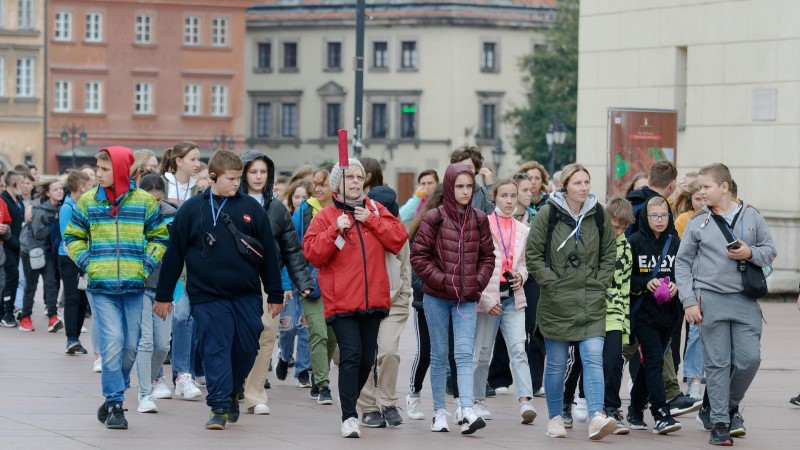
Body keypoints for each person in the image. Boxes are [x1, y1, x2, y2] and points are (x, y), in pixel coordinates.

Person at [154, 150, 284, 430]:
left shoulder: (252, 208)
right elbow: (174, 254)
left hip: (246, 293)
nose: (237, 183)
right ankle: (218, 405)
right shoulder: (192, 209)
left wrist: (274, 293)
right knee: (216, 346)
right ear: (212, 177)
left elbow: (269, 256)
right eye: (231, 178)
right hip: (206, 295)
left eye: (239, 178)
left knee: (247, 345)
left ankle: (234, 388)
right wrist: (164, 296)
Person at [64, 146, 169, 430]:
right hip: (101, 286)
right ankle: (114, 404)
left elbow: (160, 237)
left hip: (134, 286)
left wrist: (145, 266)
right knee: (112, 344)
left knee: (130, 347)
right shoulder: (88, 202)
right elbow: (72, 237)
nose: (99, 174)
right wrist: (88, 263)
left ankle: (116, 389)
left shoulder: (145, 202)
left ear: (122, 170)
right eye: (97, 169)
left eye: (105, 169)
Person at [303, 158, 408, 438]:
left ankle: (347, 397)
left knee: (365, 359)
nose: (355, 182)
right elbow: (312, 253)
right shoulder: (326, 215)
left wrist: (371, 220)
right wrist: (334, 229)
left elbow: (398, 238)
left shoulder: (375, 209)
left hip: (373, 299)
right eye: (350, 178)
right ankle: (349, 415)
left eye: (359, 177)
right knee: (350, 356)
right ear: (339, 182)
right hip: (342, 300)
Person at [676, 163, 776, 446]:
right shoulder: (697, 221)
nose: (702, 192)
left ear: (724, 186)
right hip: (710, 300)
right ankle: (720, 422)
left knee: (749, 360)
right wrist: (688, 301)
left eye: (706, 187)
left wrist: (750, 253)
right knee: (717, 364)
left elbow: (770, 251)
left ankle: (729, 405)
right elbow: (682, 263)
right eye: (700, 187)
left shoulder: (752, 216)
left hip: (745, 300)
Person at [525, 163, 617, 440]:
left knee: (592, 358)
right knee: (556, 362)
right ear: (565, 185)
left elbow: (609, 252)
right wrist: (551, 283)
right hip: (557, 300)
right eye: (578, 182)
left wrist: (600, 282)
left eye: (587, 182)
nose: (584, 187)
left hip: (591, 299)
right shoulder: (548, 213)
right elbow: (533, 255)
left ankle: (596, 417)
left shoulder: (598, 213)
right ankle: (554, 418)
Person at [410, 162, 494, 435]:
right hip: (436, 297)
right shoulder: (434, 217)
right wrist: (443, 280)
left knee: (463, 352)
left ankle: (467, 408)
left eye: (469, 186)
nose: (465, 191)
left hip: (466, 298)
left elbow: (488, 257)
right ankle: (439, 413)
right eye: (459, 186)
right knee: (439, 354)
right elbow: (418, 257)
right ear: (449, 187)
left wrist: (476, 283)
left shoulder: (480, 219)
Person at [239, 150, 313, 416]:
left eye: (263, 172)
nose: (258, 177)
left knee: (267, 332)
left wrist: (302, 281)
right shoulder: (229, 202)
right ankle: (235, 382)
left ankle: (255, 393)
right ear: (243, 173)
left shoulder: (278, 209)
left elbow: (292, 249)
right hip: (233, 279)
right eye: (253, 171)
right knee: (238, 334)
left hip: (266, 280)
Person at [471, 178, 536, 424]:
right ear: (494, 198)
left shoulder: (523, 229)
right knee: (483, 351)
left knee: (519, 348)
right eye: (504, 196)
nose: (509, 201)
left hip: (513, 296)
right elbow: (476, 264)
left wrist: (522, 276)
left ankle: (525, 400)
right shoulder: (483, 225)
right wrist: (486, 298)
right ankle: (477, 399)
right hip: (489, 296)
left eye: (513, 195)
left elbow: (523, 263)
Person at [356, 157, 412, 429]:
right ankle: (368, 407)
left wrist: (403, 297)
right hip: (364, 301)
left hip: (393, 301)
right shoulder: (361, 228)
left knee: (388, 351)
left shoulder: (399, 232)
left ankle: (388, 401)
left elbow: (405, 268)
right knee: (365, 355)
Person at [625, 196, 683, 435]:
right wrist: (646, 282)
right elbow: (625, 279)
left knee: (651, 360)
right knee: (655, 361)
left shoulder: (676, 243)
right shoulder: (634, 242)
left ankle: (635, 409)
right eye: (654, 216)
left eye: (663, 215)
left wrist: (676, 285)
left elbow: (685, 272)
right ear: (645, 217)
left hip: (669, 314)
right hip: (643, 313)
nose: (659, 220)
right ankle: (661, 413)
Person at [293, 166, 337, 404]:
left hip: (338, 283)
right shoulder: (304, 212)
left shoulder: (343, 210)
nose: (318, 189)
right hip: (310, 280)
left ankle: (319, 371)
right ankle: (322, 385)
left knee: (332, 337)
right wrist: (290, 281)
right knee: (318, 332)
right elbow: (291, 247)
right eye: (316, 184)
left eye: (324, 184)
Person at [405, 184, 444, 421]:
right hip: (426, 301)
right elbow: (416, 274)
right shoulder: (422, 228)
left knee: (453, 352)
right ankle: (413, 393)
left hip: (453, 300)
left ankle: (462, 402)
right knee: (427, 351)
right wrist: (434, 288)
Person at [601, 196, 635, 435]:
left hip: (614, 313)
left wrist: (624, 321)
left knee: (614, 362)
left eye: (624, 227)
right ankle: (573, 402)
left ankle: (612, 408)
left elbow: (625, 287)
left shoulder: (626, 247)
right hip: (592, 311)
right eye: (616, 226)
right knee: (587, 362)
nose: (620, 231)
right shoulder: (596, 241)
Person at [18, 179, 65, 332]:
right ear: (47, 193)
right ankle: (25, 318)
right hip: (32, 251)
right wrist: (54, 224)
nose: (60, 191)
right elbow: (38, 234)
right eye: (55, 189)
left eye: (60, 188)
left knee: (51, 283)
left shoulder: (59, 207)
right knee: (31, 285)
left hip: (47, 251)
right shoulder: (40, 210)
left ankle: (52, 318)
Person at [60, 170, 91, 353]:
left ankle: (76, 337)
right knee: (72, 296)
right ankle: (71, 338)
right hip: (68, 257)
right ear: (81, 188)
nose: (91, 189)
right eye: (88, 186)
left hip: (82, 257)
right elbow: (67, 237)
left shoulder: (83, 205)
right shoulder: (67, 207)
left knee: (81, 298)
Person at [0, 171, 22, 328]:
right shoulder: (4, 199)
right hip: (8, 246)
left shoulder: (14, 201)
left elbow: (8, 223)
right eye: (23, 182)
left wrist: (5, 229)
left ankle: (6, 311)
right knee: (10, 278)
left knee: (9, 280)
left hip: (10, 245)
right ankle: (6, 312)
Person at [449, 146, 494, 214]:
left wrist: (490, 185)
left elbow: (494, 216)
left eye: (468, 167)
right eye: (460, 167)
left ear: (477, 170)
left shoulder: (483, 193)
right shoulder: (447, 191)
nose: (464, 171)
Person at [159, 141, 202, 207]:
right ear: (179, 161)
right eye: (193, 159)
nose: (198, 164)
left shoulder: (199, 190)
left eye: (198, 160)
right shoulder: (161, 183)